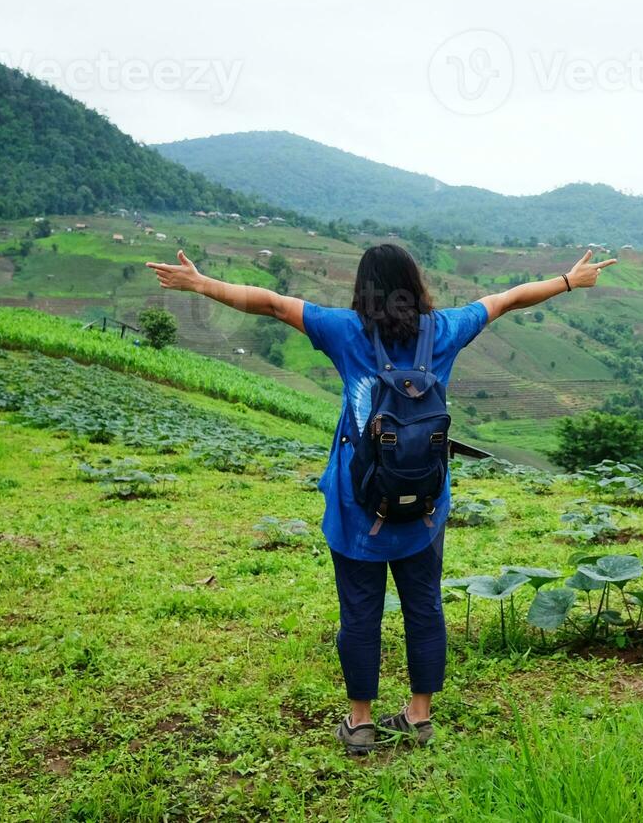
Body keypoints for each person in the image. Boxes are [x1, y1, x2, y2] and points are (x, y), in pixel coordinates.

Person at [147, 242, 616, 753]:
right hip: (424, 507)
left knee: (360, 613)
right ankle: (419, 717)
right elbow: (505, 299)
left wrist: (201, 283)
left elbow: (273, 303)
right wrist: (569, 281)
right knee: (424, 607)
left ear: (362, 288)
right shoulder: (444, 330)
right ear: (415, 284)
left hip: (356, 506)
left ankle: (361, 722)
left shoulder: (344, 331)